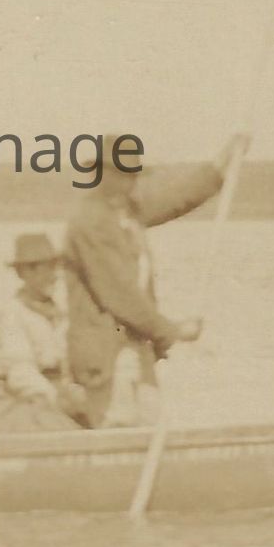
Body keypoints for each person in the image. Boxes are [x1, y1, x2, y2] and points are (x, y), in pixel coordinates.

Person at [65, 132, 250, 428]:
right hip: (105, 354)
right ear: (101, 173)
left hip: (135, 351)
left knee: (150, 426)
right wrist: (173, 332)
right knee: (120, 431)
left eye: (133, 175)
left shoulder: (126, 211)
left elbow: (177, 197)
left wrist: (224, 158)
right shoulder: (90, 221)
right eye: (122, 174)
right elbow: (120, 293)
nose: (130, 182)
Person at [0, 232, 90, 430]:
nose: (51, 276)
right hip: (26, 398)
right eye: (39, 270)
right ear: (23, 274)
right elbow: (21, 372)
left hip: (60, 393)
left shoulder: (60, 312)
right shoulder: (14, 313)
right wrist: (54, 397)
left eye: (53, 267)